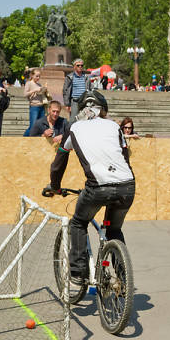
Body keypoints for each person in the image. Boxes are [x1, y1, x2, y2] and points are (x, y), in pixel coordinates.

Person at [44, 91, 135, 285]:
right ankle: (123, 276)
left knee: (78, 222)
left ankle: (78, 272)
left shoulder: (74, 127)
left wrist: (55, 186)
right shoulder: (114, 126)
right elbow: (125, 158)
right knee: (114, 229)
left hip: (98, 187)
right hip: (127, 186)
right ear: (103, 109)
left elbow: (59, 162)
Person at [23, 68, 48, 137]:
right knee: (33, 125)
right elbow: (25, 94)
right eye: (37, 76)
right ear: (32, 75)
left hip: (41, 106)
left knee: (42, 125)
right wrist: (34, 90)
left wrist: (44, 90)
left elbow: (40, 94)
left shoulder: (39, 84)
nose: (38, 78)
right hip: (34, 106)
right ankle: (25, 137)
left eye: (39, 76)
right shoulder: (29, 83)